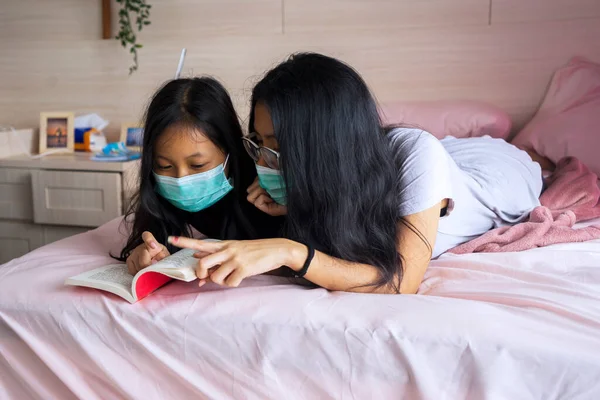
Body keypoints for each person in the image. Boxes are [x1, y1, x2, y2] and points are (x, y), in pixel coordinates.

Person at [169, 53, 546, 294]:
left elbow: (401, 283)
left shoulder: (418, 154)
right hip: (423, 155)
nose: (265, 162)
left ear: (319, 148)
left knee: (518, 157)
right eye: (260, 144)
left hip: (496, 172)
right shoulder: (329, 173)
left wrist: (288, 250)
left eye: (281, 149)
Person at [117, 77, 283, 275]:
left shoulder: (267, 192)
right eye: (164, 165)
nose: (181, 180)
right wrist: (146, 252)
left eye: (197, 165)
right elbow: (154, 240)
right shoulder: (158, 203)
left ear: (231, 151)